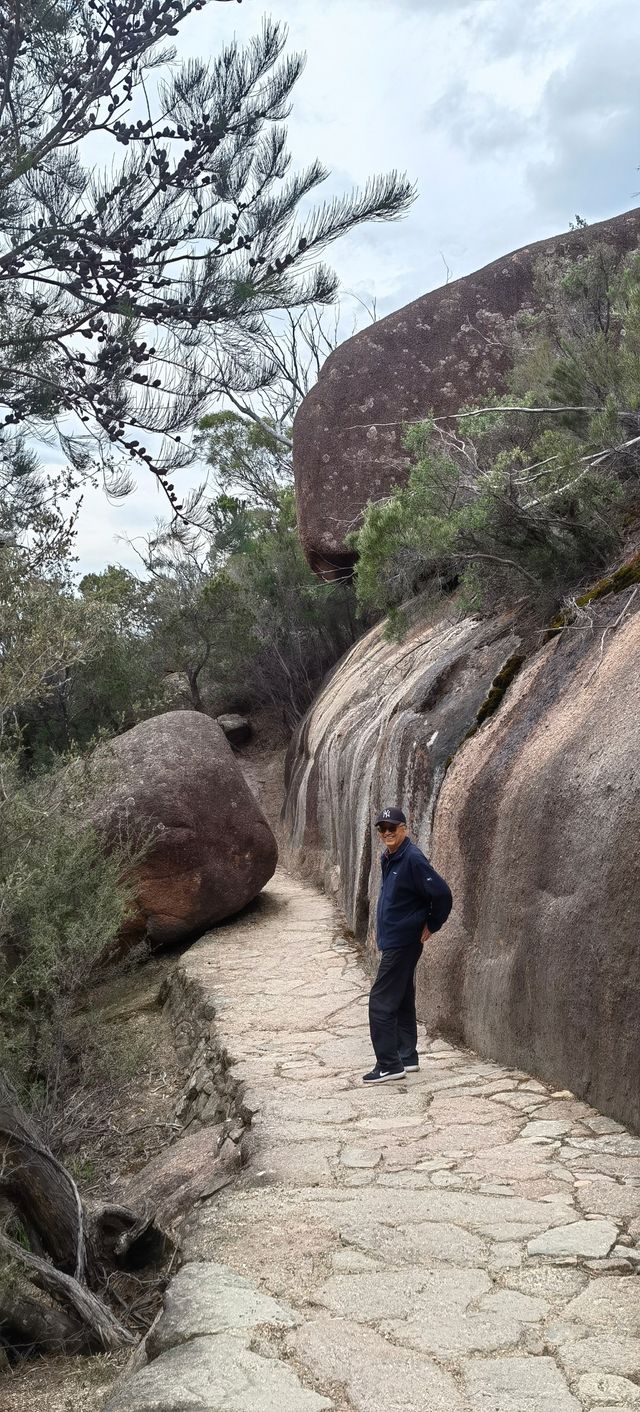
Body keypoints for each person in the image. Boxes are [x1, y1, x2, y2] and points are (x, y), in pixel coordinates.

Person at [363, 806, 452, 1084]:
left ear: (404, 828)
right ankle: (406, 1056)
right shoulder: (390, 857)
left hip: (404, 941)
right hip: (396, 940)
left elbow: (442, 894)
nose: (387, 833)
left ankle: (389, 1064)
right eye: (383, 828)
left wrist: (432, 924)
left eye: (393, 828)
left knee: (380, 1002)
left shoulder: (412, 858)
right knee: (401, 997)